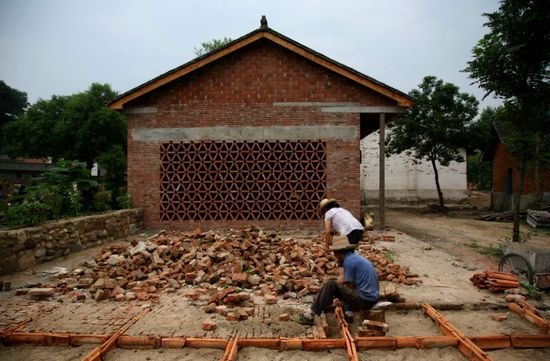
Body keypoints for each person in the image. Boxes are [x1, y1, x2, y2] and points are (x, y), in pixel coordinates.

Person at [292, 236, 380, 325]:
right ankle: (348, 313)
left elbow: (349, 285)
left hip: (365, 300)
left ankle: (309, 316)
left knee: (330, 284)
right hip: (372, 298)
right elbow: (350, 285)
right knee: (334, 287)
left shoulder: (349, 261)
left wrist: (330, 293)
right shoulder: (354, 258)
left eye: (334, 253)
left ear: (337, 253)